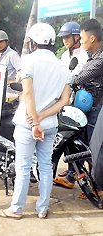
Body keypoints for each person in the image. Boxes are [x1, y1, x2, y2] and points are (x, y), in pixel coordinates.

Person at [0, 22, 70, 220]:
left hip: (26, 123)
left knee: (23, 166)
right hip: (50, 124)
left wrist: (35, 122)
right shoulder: (62, 66)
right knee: (45, 165)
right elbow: (65, 100)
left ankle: (16, 209)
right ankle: (42, 208)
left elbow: (27, 93)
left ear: (34, 42)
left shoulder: (29, 61)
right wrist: (42, 117)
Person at [54, 19, 103, 191]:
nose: (80, 41)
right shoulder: (92, 55)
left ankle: (97, 185)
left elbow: (78, 78)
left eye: (81, 37)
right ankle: (78, 176)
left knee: (94, 147)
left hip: (97, 109)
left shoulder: (100, 59)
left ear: (92, 38)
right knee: (80, 141)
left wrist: (57, 83)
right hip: (86, 107)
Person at [53, 21, 89, 187]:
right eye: (63, 38)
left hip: (81, 103)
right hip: (66, 101)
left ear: (76, 37)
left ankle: (79, 177)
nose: (65, 40)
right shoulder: (64, 56)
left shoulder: (84, 55)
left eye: (67, 37)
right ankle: (71, 171)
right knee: (67, 137)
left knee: (79, 139)